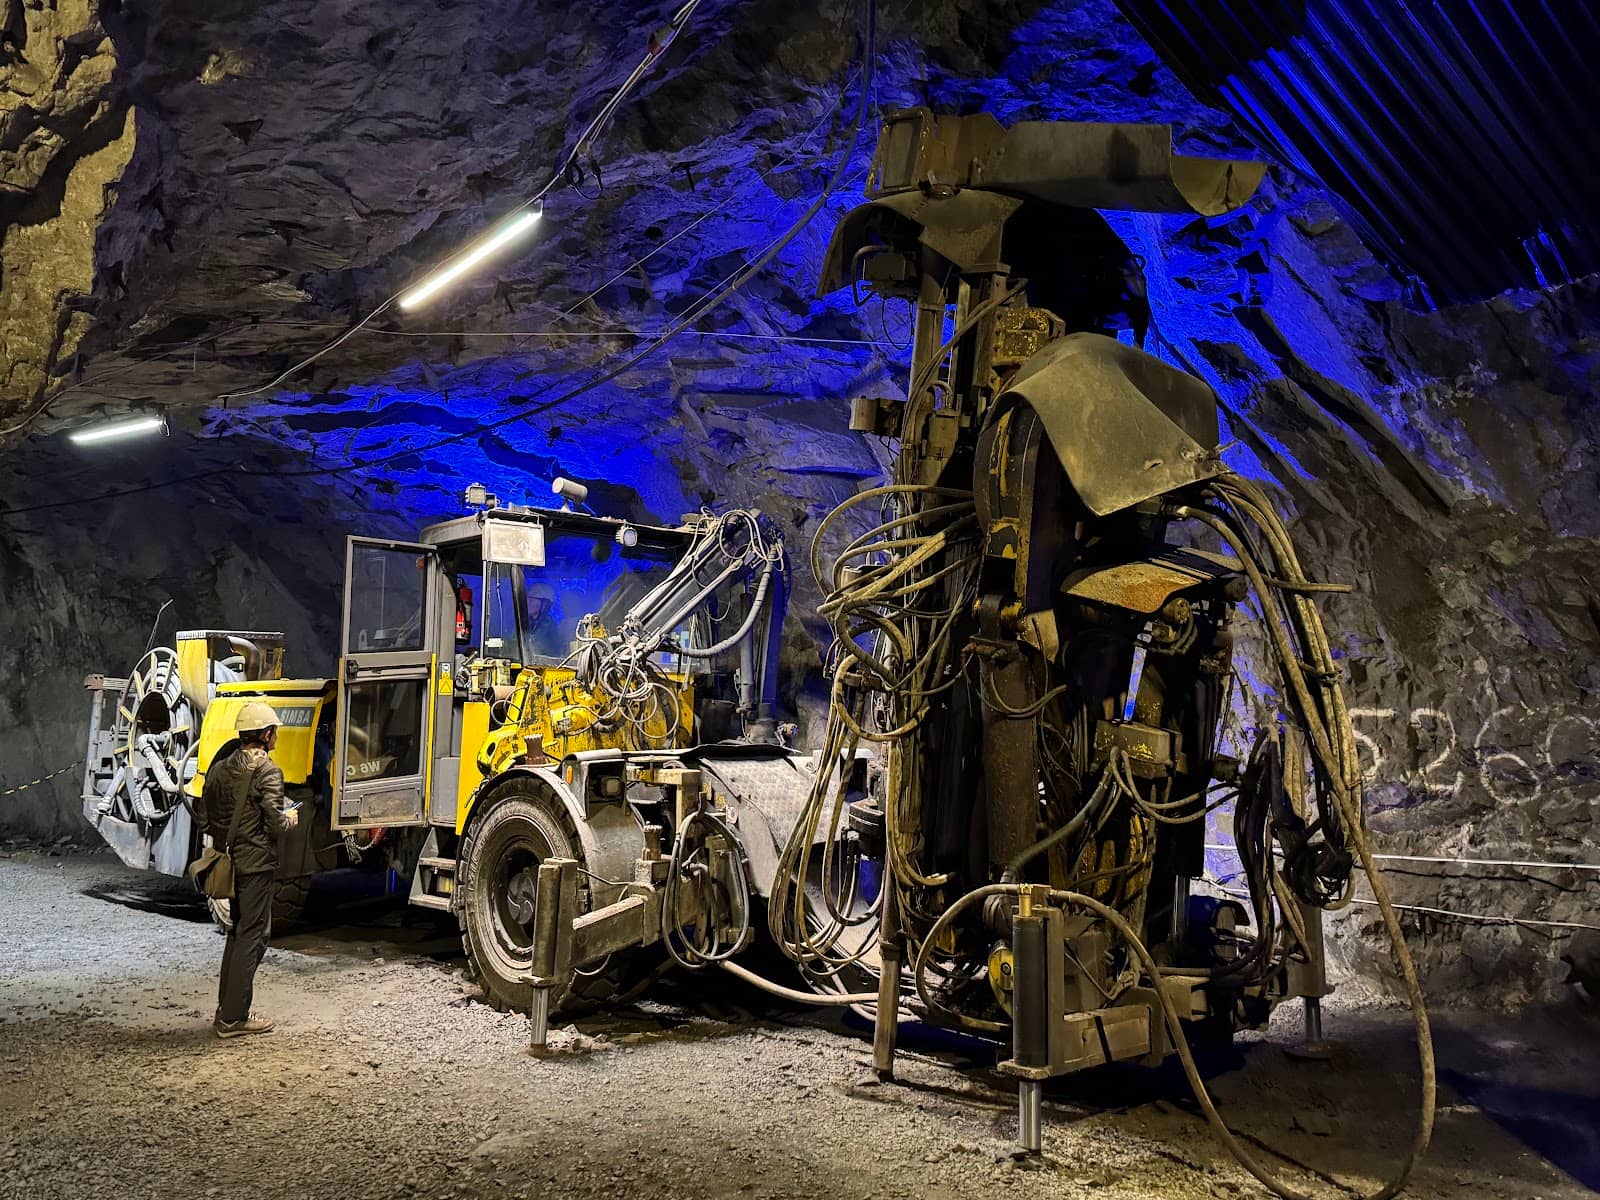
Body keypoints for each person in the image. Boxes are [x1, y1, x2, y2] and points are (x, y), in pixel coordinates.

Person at [198, 701, 299, 1039]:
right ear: (266, 734)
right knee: (253, 936)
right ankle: (234, 1018)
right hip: (256, 865)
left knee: (238, 933)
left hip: (229, 861)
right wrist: (290, 818)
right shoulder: (268, 771)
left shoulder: (219, 767)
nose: (276, 738)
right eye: (275, 732)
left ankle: (226, 1009)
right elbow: (275, 823)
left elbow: (204, 818)